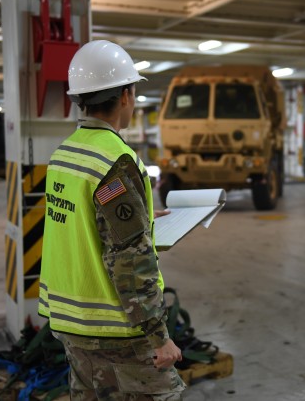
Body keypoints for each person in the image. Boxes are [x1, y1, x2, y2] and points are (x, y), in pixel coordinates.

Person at [38, 40, 185, 400]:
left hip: (70, 325)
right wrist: (159, 337)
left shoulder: (64, 155)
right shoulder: (114, 162)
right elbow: (130, 262)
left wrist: (142, 218)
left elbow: (86, 224)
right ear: (125, 96)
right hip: (115, 331)